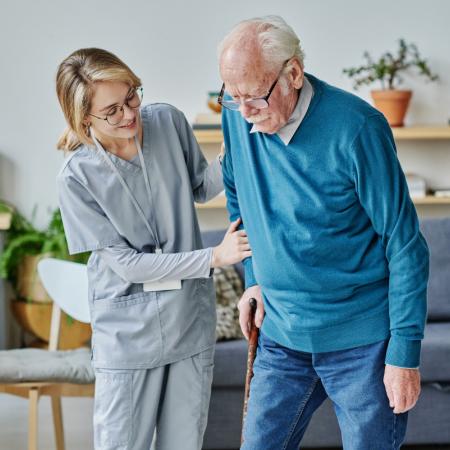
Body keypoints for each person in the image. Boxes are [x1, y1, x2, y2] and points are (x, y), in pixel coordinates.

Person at [218, 16, 429, 450]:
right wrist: (254, 278)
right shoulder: (238, 116)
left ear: (293, 73)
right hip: (281, 333)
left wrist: (403, 353)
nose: (244, 112)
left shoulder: (357, 128)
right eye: (232, 97)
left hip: (362, 343)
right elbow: (239, 197)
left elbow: (405, 244)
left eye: (254, 97)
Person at [55, 47, 251, 450]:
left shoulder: (167, 121)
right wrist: (215, 256)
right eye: (112, 111)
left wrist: (237, 141)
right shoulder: (76, 178)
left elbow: (201, 185)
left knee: (184, 443)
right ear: (83, 118)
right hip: (129, 335)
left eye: (131, 96)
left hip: (188, 322)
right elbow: (127, 265)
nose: (129, 114)